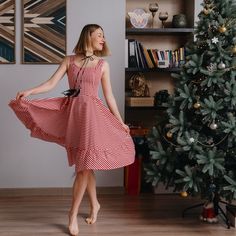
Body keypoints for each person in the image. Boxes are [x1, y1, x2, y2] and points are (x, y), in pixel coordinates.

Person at [9, 24, 135, 236]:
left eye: (103, 36)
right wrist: (30, 91)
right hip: (74, 116)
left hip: (92, 118)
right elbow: (51, 83)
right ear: (88, 37)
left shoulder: (102, 65)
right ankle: (95, 204)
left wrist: (120, 121)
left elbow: (109, 96)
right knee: (87, 164)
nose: (103, 39)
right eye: (99, 36)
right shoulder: (69, 61)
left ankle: (72, 213)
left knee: (83, 166)